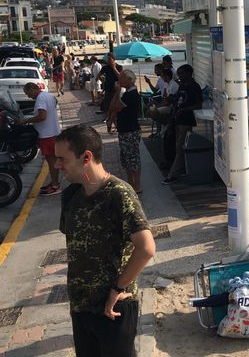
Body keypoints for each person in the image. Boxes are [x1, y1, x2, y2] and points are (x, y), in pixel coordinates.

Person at [55, 124, 155, 357]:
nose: (57, 165)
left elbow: (146, 248)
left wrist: (117, 288)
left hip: (113, 306)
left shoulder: (119, 194)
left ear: (86, 157)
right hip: (80, 305)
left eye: (62, 159)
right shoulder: (70, 195)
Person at [161, 64, 203, 184]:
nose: (179, 77)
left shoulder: (194, 87)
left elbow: (198, 104)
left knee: (180, 147)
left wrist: (184, 110)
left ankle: (173, 174)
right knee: (176, 145)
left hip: (186, 120)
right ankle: (180, 168)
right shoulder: (182, 86)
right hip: (177, 120)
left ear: (189, 74)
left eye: (181, 74)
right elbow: (177, 101)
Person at [20, 82, 62, 196]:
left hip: (47, 134)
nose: (29, 96)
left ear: (33, 89)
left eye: (28, 93)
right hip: (52, 132)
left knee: (52, 160)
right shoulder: (48, 95)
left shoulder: (40, 99)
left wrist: (26, 121)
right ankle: (54, 183)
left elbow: (42, 116)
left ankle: (55, 186)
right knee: (51, 159)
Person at [112, 69, 142, 193]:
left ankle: (137, 185)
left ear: (129, 80)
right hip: (126, 129)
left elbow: (114, 107)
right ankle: (131, 183)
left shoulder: (131, 95)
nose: (120, 80)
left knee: (132, 157)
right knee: (126, 158)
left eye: (122, 78)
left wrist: (117, 92)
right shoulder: (128, 94)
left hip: (130, 130)